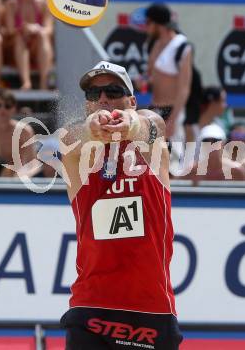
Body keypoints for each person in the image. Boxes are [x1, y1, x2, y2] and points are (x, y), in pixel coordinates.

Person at [60, 61, 182, 350]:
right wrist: (91, 131)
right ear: (88, 105)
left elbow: (155, 124)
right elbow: (69, 138)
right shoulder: (77, 149)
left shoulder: (151, 144)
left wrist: (131, 124)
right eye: (93, 94)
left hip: (152, 309)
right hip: (91, 307)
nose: (102, 99)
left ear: (131, 101)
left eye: (113, 91)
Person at [144, 3, 192, 145]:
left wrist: (173, 120)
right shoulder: (153, 44)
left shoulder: (181, 47)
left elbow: (184, 88)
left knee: (173, 163)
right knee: (150, 160)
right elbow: (151, 76)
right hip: (154, 110)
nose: (146, 27)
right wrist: (144, 81)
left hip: (172, 112)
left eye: (147, 22)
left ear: (157, 23)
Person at [4, 0, 54, 90]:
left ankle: (43, 82)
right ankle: (26, 82)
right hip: (15, 48)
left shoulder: (43, 4)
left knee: (42, 35)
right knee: (19, 37)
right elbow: (10, 30)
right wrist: (24, 29)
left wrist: (36, 29)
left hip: (36, 47)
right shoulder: (11, 4)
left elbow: (49, 29)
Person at [0, 89, 37, 176]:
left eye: (7, 106)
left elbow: (32, 162)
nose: (2, 109)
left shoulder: (24, 131)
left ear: (14, 108)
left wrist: (25, 176)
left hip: (18, 177)